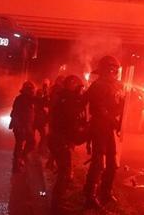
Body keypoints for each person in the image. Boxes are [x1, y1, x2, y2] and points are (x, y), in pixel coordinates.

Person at [83, 55, 125, 209]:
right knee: (98, 162)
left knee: (112, 163)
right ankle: (90, 195)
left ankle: (105, 191)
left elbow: (118, 105)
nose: (114, 72)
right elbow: (98, 107)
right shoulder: (98, 86)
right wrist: (111, 118)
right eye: (111, 69)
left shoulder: (117, 86)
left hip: (109, 128)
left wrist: (123, 108)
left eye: (115, 69)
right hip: (99, 126)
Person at [48, 75, 87, 213]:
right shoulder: (68, 101)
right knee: (64, 173)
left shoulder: (66, 98)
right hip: (60, 140)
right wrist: (85, 133)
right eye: (79, 87)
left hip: (58, 139)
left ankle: (58, 203)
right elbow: (71, 126)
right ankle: (56, 206)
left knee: (64, 172)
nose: (80, 91)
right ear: (73, 85)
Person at [9, 81, 36, 173]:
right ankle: (18, 163)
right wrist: (20, 125)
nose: (33, 91)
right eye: (31, 89)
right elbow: (16, 113)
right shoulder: (22, 99)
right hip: (22, 125)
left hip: (24, 125)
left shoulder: (28, 98)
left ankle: (20, 160)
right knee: (22, 144)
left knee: (24, 144)